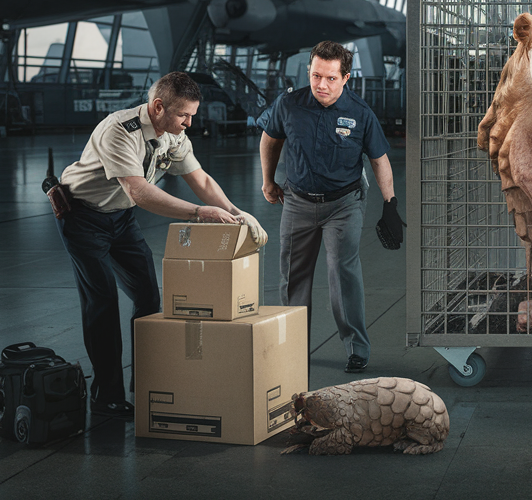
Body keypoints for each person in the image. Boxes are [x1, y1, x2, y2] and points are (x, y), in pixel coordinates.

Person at [55, 72, 264, 418]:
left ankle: (149, 381)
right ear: (158, 107)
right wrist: (199, 213)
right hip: (83, 219)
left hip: (120, 219)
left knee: (149, 297)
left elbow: (202, 179)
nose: (190, 123)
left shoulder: (172, 134)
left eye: (192, 115)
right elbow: (139, 191)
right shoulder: (119, 131)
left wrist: (236, 211)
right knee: (102, 301)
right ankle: (106, 396)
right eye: (184, 115)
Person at [259, 41, 404, 374]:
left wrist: (390, 203)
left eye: (330, 78)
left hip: (344, 204)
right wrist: (269, 181)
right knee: (293, 277)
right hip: (296, 202)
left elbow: (379, 160)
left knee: (343, 273)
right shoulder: (289, 105)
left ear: (346, 77)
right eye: (315, 75)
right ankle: (294, 346)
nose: (321, 85)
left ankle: (356, 348)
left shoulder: (360, 113)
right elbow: (270, 137)